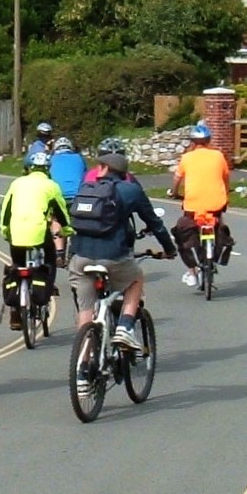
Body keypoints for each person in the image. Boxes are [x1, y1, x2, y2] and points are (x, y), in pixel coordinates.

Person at [68, 152, 176, 357]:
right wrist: (169, 249)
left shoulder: (85, 189)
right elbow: (155, 223)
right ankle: (125, 327)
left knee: (86, 312)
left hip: (80, 258)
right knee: (136, 279)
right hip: (114, 256)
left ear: (103, 169)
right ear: (124, 174)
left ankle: (84, 364)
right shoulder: (131, 190)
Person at [0, 150, 71, 330]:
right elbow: (60, 211)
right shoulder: (51, 186)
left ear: (29, 168)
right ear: (47, 169)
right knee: (50, 259)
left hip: (16, 233)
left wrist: (5, 230)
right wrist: (67, 229)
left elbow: (6, 210)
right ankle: (47, 288)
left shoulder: (17, 183)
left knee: (17, 265)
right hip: (39, 232)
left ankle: (15, 314)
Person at [167, 123, 232, 288]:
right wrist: (225, 193)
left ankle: (192, 272)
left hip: (193, 206)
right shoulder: (218, 155)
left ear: (193, 142)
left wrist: (173, 192)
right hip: (216, 203)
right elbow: (225, 177)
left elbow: (177, 179)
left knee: (182, 234)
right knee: (219, 224)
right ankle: (214, 258)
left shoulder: (187, 157)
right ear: (208, 140)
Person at [48, 137, 86, 263]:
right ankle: (74, 249)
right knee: (78, 221)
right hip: (78, 196)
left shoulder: (51, 159)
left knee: (56, 219)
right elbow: (85, 175)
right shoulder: (79, 158)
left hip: (60, 196)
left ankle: (59, 252)